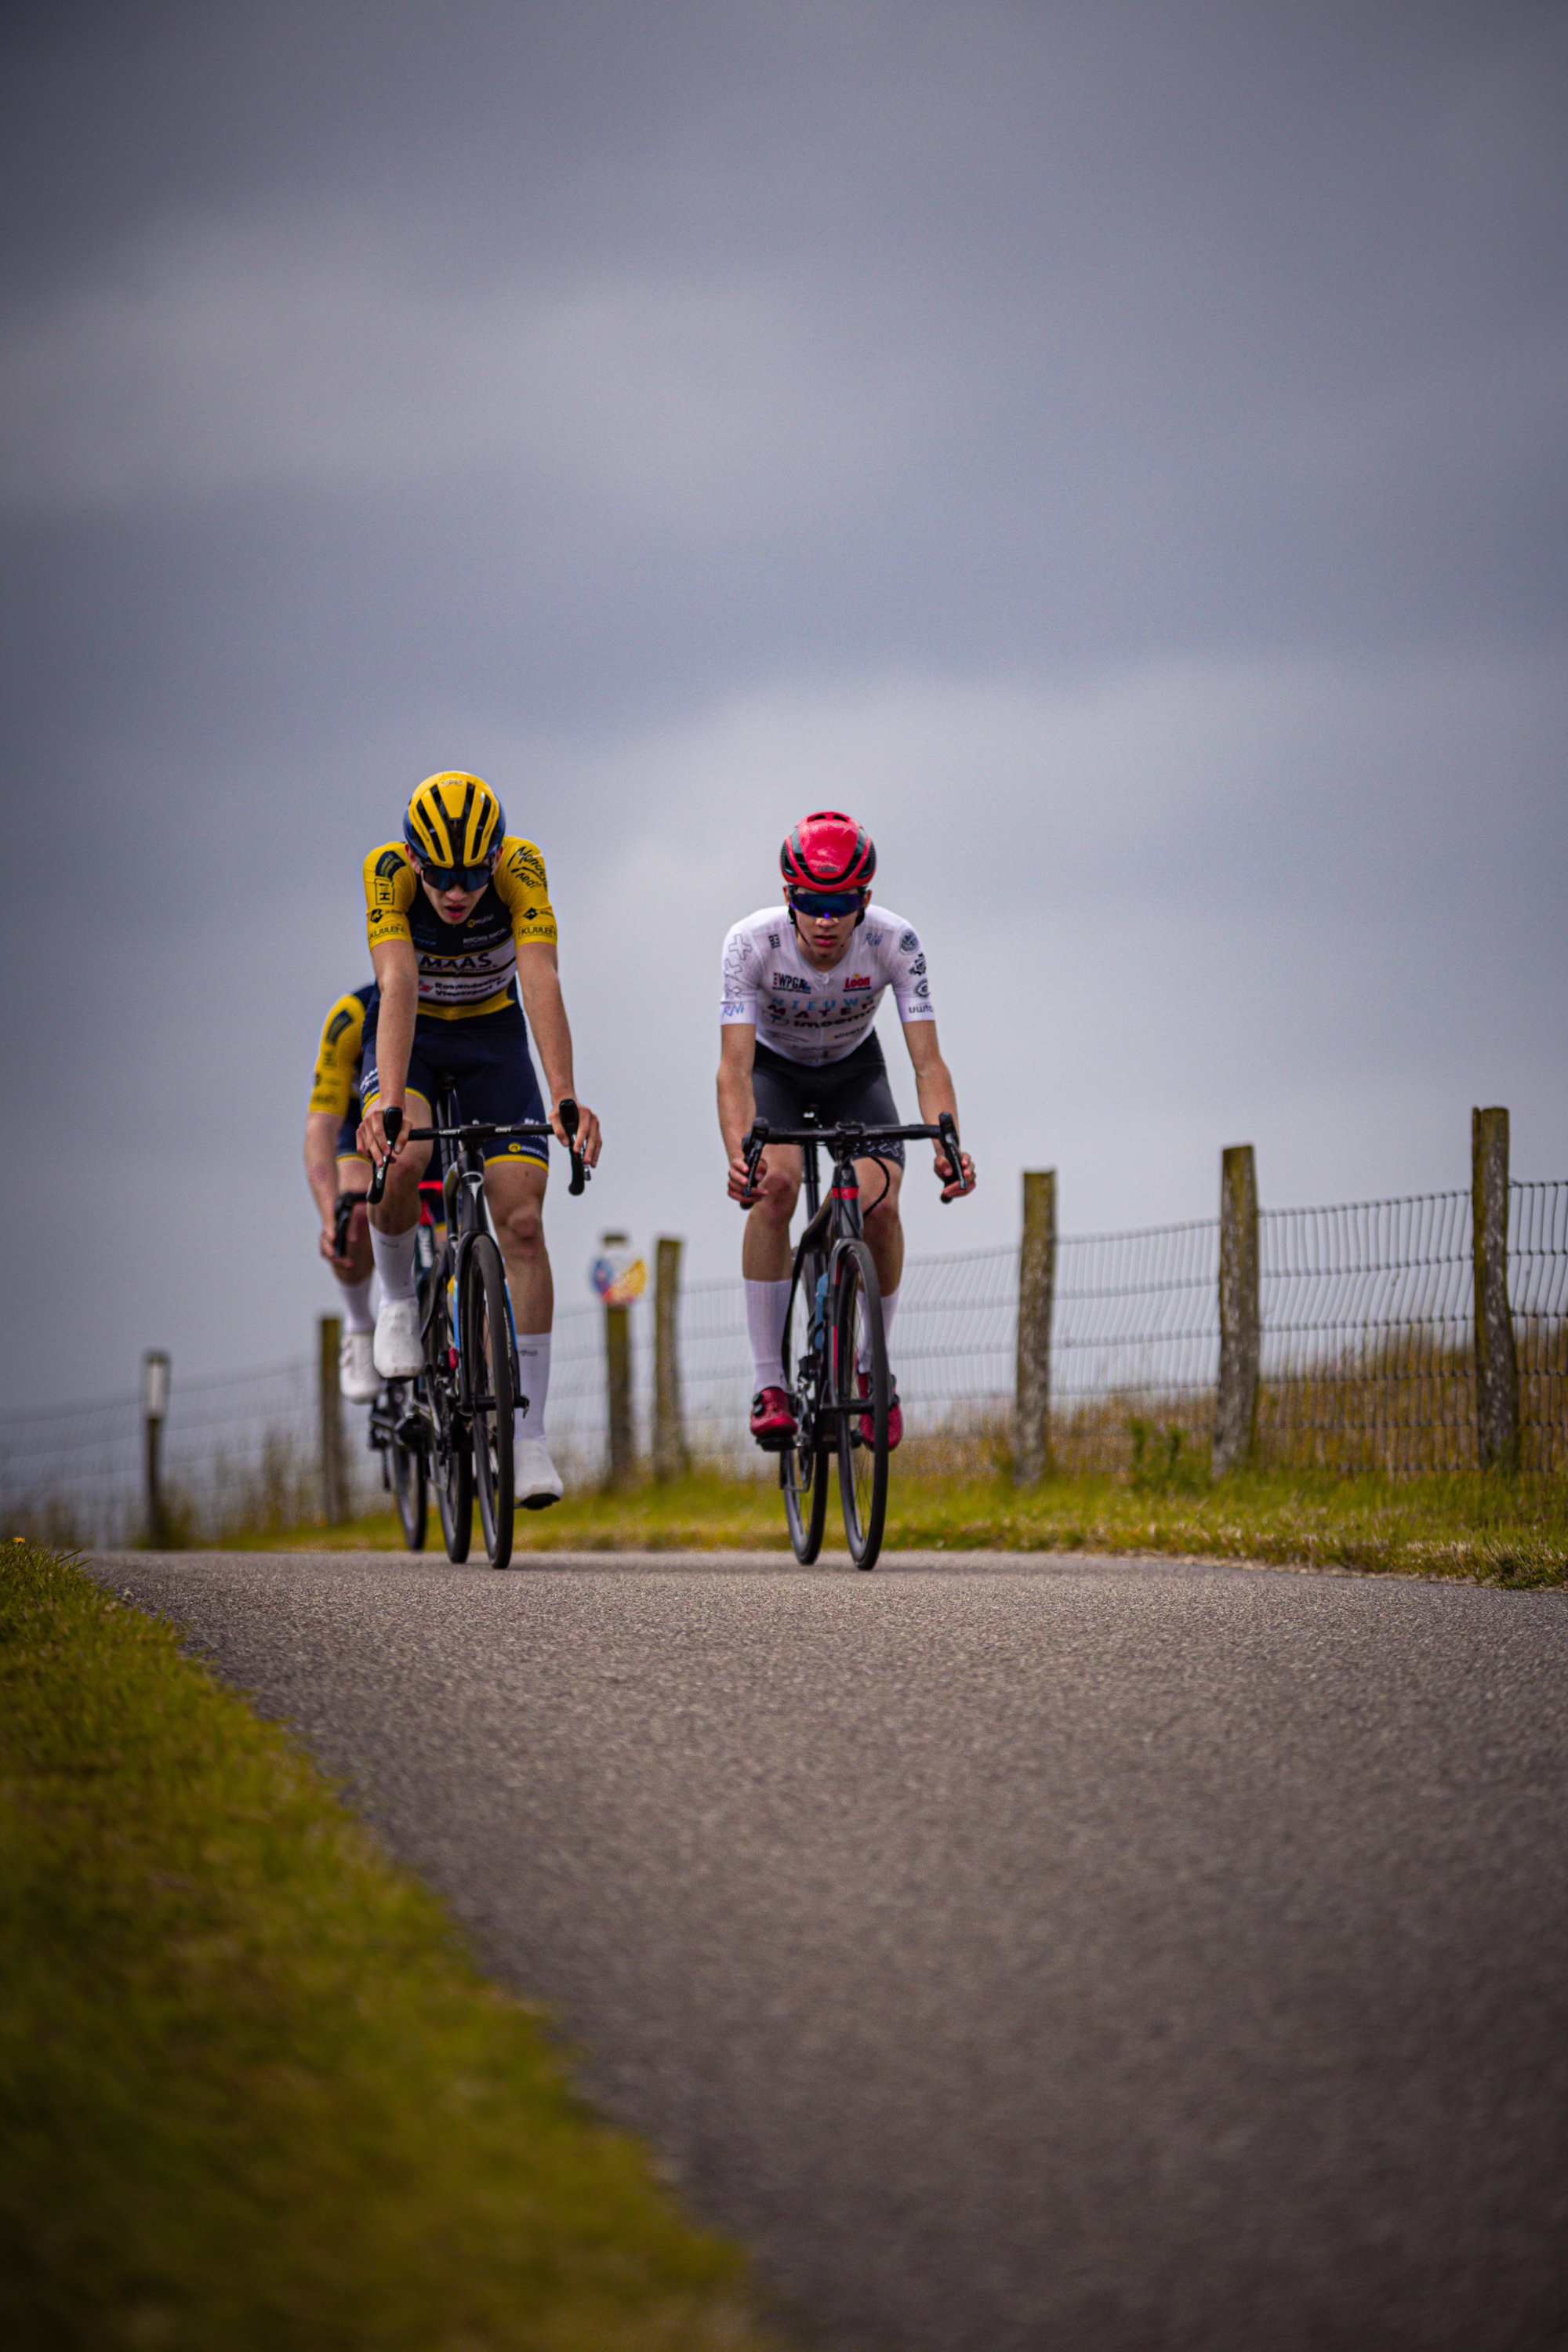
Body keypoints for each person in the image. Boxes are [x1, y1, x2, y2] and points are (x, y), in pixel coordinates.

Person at [355, 771, 602, 1508]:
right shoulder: (387, 874)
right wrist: (390, 1104)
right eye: (440, 876)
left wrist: (563, 1095)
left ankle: (527, 1439)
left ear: (494, 858)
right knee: (410, 1156)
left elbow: (541, 979)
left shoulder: (523, 867)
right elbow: (397, 984)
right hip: (416, 1039)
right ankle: (399, 1299)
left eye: (471, 874)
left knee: (523, 1222)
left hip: (494, 1039)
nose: (457, 892)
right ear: (412, 859)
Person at [717, 810, 975, 1450]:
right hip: (776, 1073)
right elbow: (733, 1071)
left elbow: (927, 1062)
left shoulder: (896, 941)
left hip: (854, 1072)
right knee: (774, 1187)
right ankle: (770, 1382)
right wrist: (739, 1156)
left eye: (840, 904)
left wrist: (950, 1145)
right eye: (810, 902)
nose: (825, 919)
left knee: (879, 1209)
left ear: (864, 900)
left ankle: (871, 1368)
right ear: (788, 897)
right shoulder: (750, 944)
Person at [303, 982, 379, 1403]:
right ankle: (359, 1323)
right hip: (358, 1120)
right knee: (357, 1211)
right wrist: (331, 1216)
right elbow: (319, 1130)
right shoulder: (351, 1016)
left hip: (430, 1111)